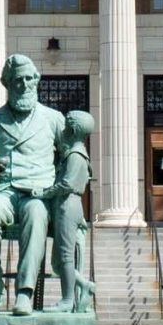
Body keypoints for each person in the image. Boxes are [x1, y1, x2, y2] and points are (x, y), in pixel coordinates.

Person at [0, 54, 64, 315]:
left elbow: (70, 154)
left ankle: (25, 292)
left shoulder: (53, 119)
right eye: (18, 80)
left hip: (39, 192)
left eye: (30, 79)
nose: (25, 84)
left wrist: (67, 186)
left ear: (37, 81)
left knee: (36, 215)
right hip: (4, 189)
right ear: (7, 83)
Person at [42, 109, 96, 313]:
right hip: (68, 205)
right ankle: (84, 285)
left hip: (67, 205)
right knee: (57, 262)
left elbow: (66, 185)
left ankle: (67, 299)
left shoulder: (75, 155)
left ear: (73, 130)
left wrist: (43, 193)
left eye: (66, 126)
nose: (63, 130)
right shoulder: (76, 153)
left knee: (65, 256)